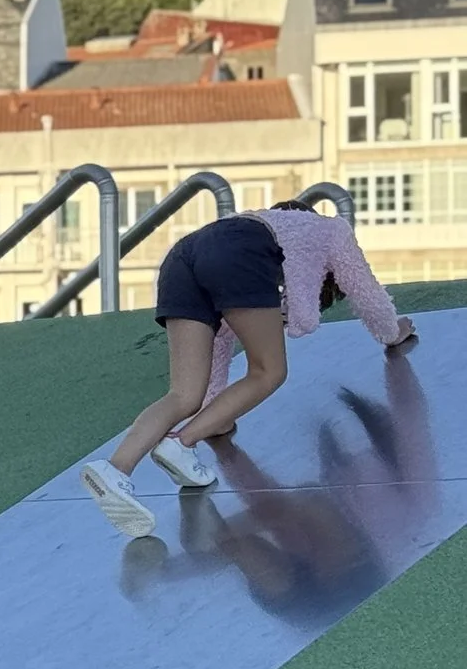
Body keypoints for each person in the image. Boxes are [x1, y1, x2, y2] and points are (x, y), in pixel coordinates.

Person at [81, 202, 414, 539]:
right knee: (269, 371)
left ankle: (114, 470)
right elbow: (366, 290)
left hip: (180, 258)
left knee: (182, 394)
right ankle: (181, 443)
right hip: (233, 257)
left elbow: (221, 337)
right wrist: (392, 332)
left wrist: (216, 414)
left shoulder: (244, 227)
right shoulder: (331, 231)